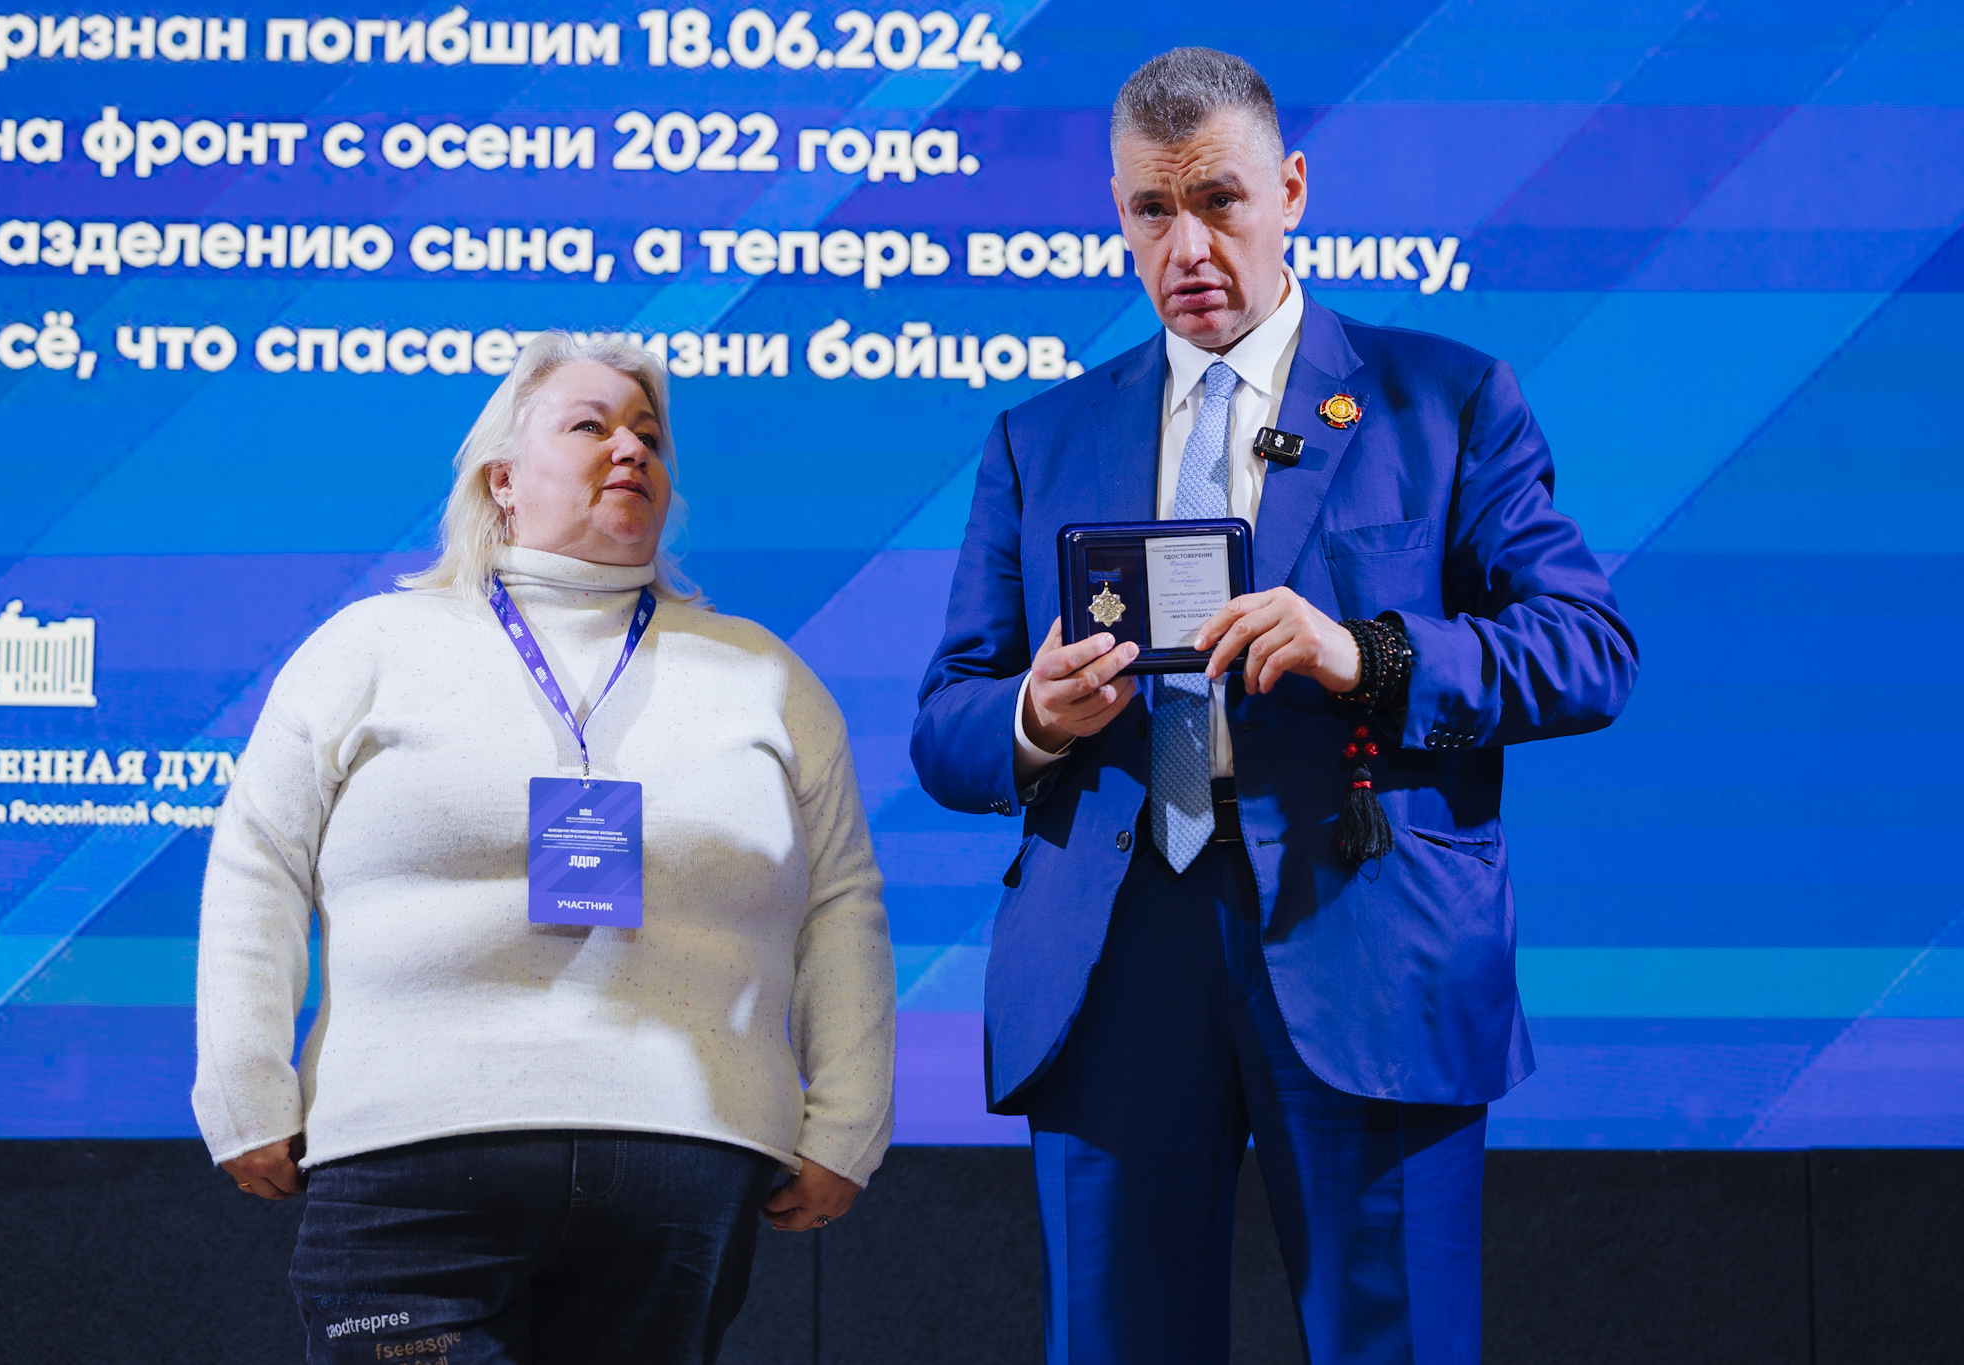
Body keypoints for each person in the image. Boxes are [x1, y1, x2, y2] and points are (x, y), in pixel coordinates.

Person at [912, 47, 1637, 1365]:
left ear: (1291, 189)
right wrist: (1035, 715)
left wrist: (1369, 655)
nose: (1185, 246)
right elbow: (946, 723)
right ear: (1117, 212)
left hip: (1364, 935)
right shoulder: (1040, 437)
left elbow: (1587, 648)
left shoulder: (1440, 400)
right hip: (1113, 953)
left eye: (1219, 201)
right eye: (1151, 210)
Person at [193, 331, 895, 1364]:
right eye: (590, 425)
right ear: (503, 480)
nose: (632, 449)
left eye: (648, 434)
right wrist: (243, 1085)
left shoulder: (765, 674)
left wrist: (847, 1120)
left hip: (682, 1167)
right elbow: (258, 862)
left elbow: (842, 903)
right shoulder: (369, 648)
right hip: (409, 1155)